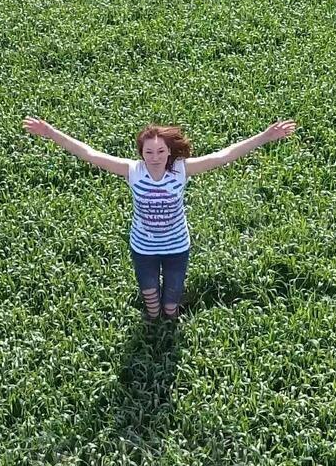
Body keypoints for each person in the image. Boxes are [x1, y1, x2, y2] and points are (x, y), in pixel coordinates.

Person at [22, 116, 298, 321]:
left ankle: (170, 326)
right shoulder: (132, 171)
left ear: (170, 152)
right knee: (152, 305)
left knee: (171, 307)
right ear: (141, 153)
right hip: (143, 248)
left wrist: (264, 136)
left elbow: (223, 155)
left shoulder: (180, 170)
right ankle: (153, 328)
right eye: (149, 152)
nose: (155, 157)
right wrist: (50, 132)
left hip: (177, 247)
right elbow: (89, 154)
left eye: (161, 152)